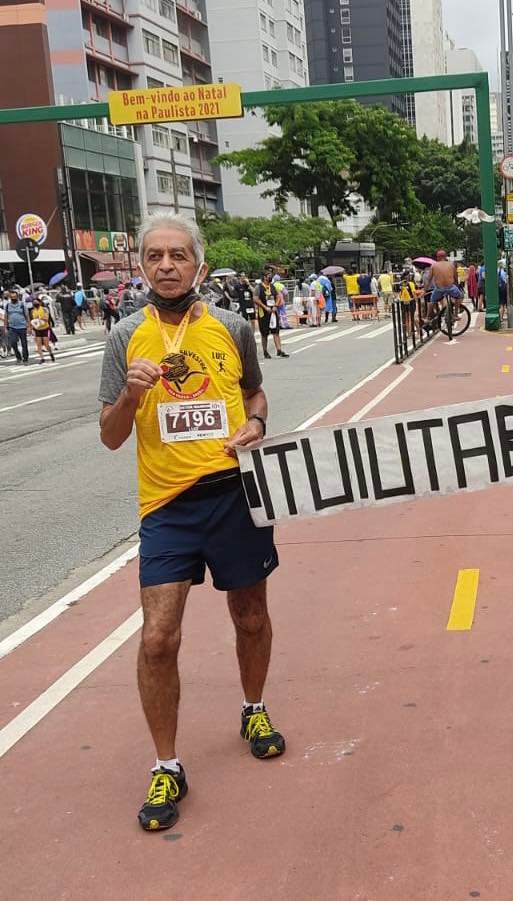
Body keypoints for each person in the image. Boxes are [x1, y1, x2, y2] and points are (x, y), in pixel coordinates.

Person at [98, 212, 286, 833]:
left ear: (197, 264)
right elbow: (109, 437)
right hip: (166, 507)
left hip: (235, 494)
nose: (167, 266)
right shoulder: (126, 336)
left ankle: (253, 707)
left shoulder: (231, 327)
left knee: (250, 615)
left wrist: (256, 425)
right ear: (142, 265)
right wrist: (130, 395)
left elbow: (255, 394)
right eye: (155, 256)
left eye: (178, 255)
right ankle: (167, 763)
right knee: (158, 639)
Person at [254, 270, 288, 359]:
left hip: (273, 312)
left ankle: (279, 350)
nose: (270, 277)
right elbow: (256, 299)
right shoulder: (259, 287)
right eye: (268, 275)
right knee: (264, 333)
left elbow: (278, 296)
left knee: (276, 331)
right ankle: (265, 351)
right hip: (263, 313)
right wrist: (265, 307)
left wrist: (276, 305)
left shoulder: (272, 286)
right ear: (264, 277)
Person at [5, 291, 30, 364]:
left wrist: (29, 327)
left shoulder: (22, 304)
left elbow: (27, 316)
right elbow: (6, 316)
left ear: (17, 297)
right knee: (13, 343)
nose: (13, 298)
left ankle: (25, 359)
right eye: (12, 297)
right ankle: (18, 357)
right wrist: (6, 327)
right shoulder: (8, 305)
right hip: (12, 327)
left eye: (14, 297)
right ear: (10, 297)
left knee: (24, 344)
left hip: (22, 327)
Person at [30, 295, 56, 363]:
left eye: (36, 302)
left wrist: (39, 318)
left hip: (45, 328)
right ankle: (42, 358)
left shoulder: (44, 309)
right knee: (38, 344)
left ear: (40, 303)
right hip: (37, 329)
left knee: (46, 344)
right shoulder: (32, 311)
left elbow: (46, 319)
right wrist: (31, 328)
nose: (35, 304)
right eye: (34, 303)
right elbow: (32, 321)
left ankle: (51, 353)